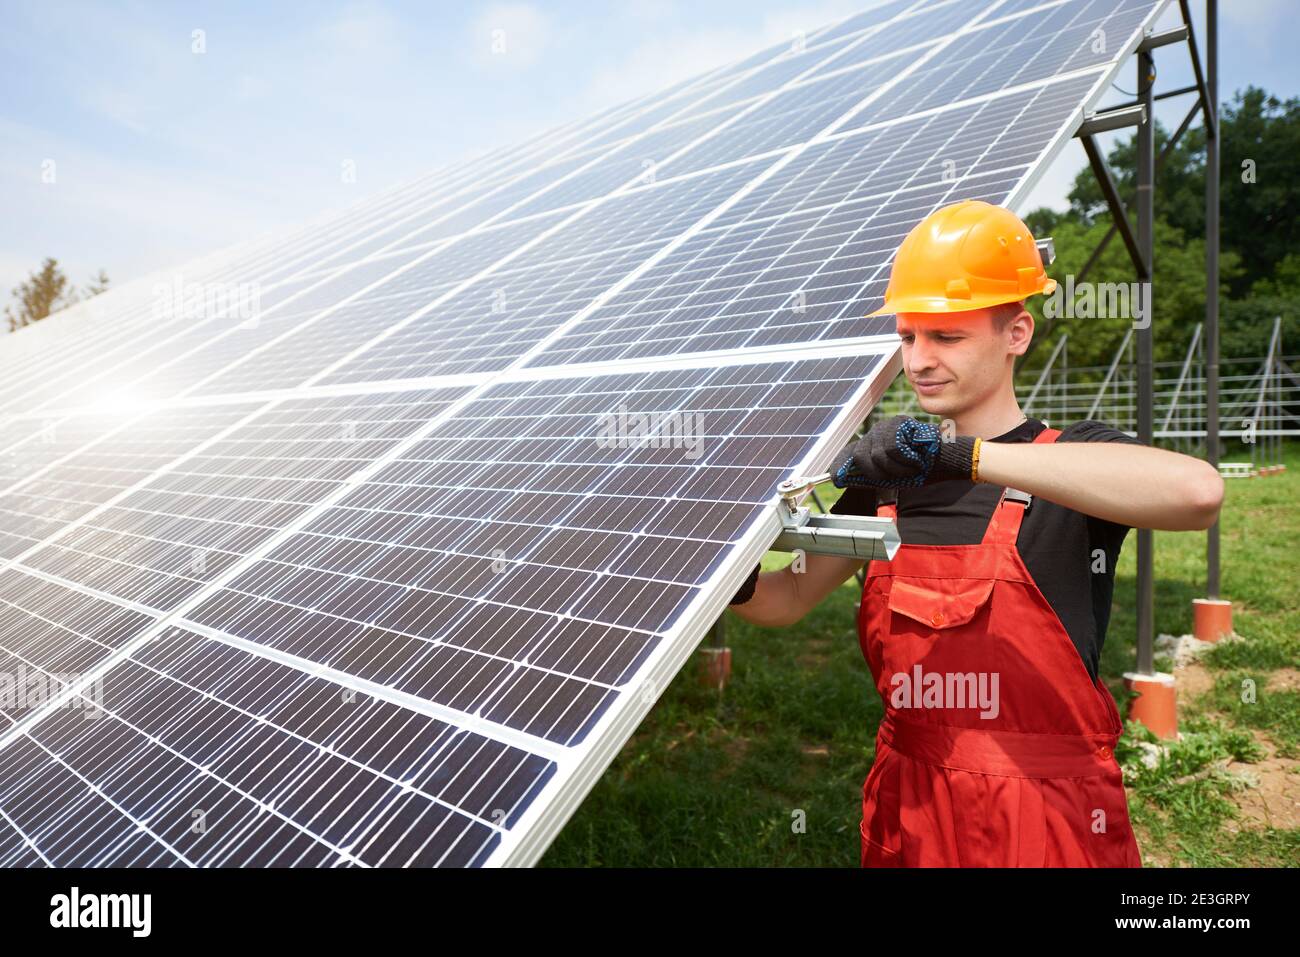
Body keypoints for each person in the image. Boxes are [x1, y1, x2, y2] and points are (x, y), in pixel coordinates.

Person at [729, 199, 1224, 867]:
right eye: (908, 337)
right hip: (911, 803)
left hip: (1042, 818)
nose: (921, 360)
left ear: (1016, 332)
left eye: (948, 337)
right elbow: (787, 600)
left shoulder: (1069, 460)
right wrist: (710, 564)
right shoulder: (888, 478)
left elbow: (1199, 493)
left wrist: (960, 455)